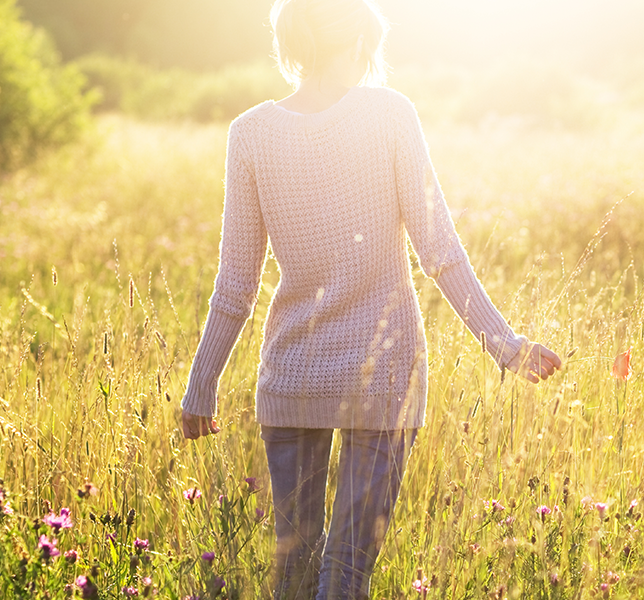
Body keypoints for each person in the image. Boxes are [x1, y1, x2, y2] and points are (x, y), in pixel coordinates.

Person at [178, 0, 563, 598]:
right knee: (345, 574)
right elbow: (440, 251)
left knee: (297, 575)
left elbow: (236, 285)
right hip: (383, 378)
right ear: (360, 41)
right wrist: (505, 345)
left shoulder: (250, 133)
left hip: (292, 378)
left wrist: (202, 385)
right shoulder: (390, 115)